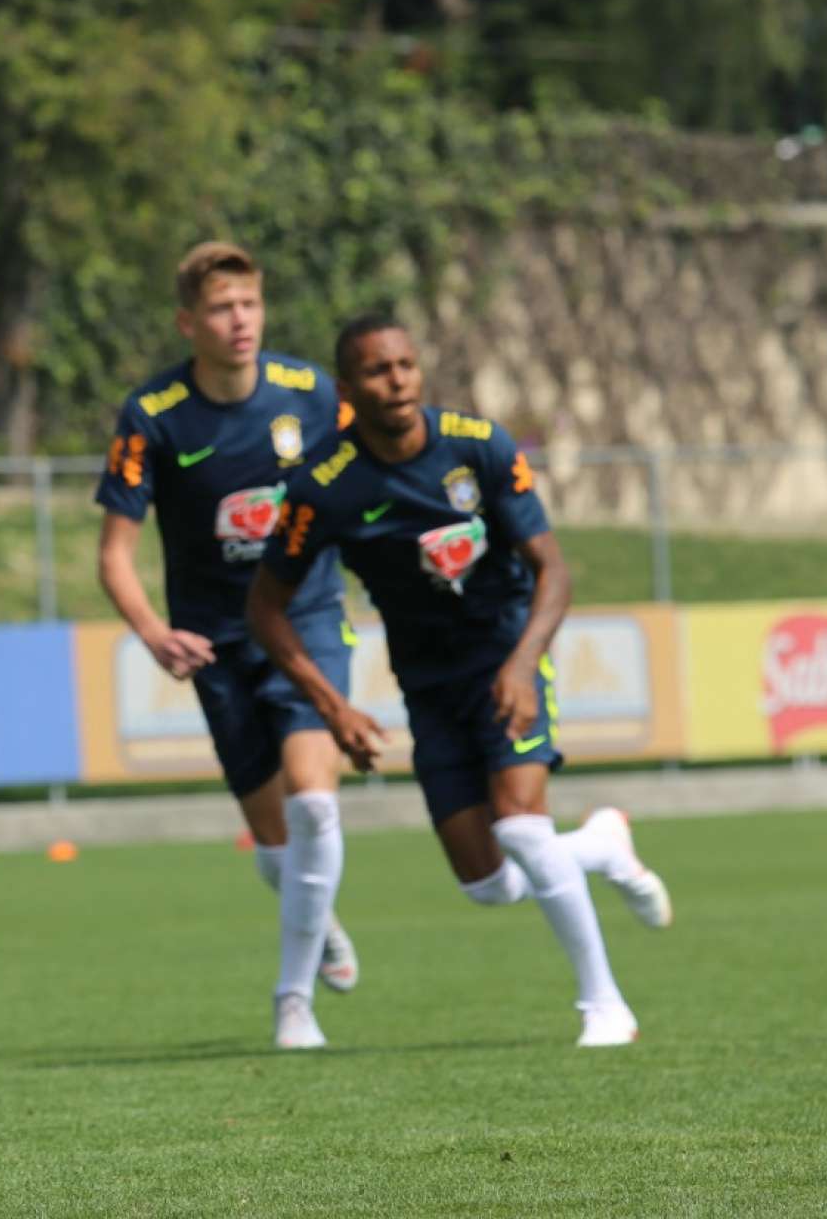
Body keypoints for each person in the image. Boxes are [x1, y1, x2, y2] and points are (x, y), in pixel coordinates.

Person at [247, 313, 672, 1048]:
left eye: (406, 364)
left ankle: (604, 1006)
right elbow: (265, 607)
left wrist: (520, 665)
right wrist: (333, 707)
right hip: (427, 687)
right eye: (378, 371)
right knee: (486, 884)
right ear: (347, 390)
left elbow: (553, 570)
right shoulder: (323, 486)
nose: (398, 380)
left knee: (520, 825)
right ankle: (600, 844)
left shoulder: (478, 447)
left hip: (506, 658)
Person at [96, 241, 361, 1051]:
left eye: (247, 304)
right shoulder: (153, 414)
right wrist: (153, 632)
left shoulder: (311, 394)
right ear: (189, 322)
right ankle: (317, 921)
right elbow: (114, 555)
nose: (238, 320)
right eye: (219, 308)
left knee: (314, 803)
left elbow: (370, 482)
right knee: (276, 842)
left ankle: (291, 1001)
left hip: (307, 621)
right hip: (214, 643)